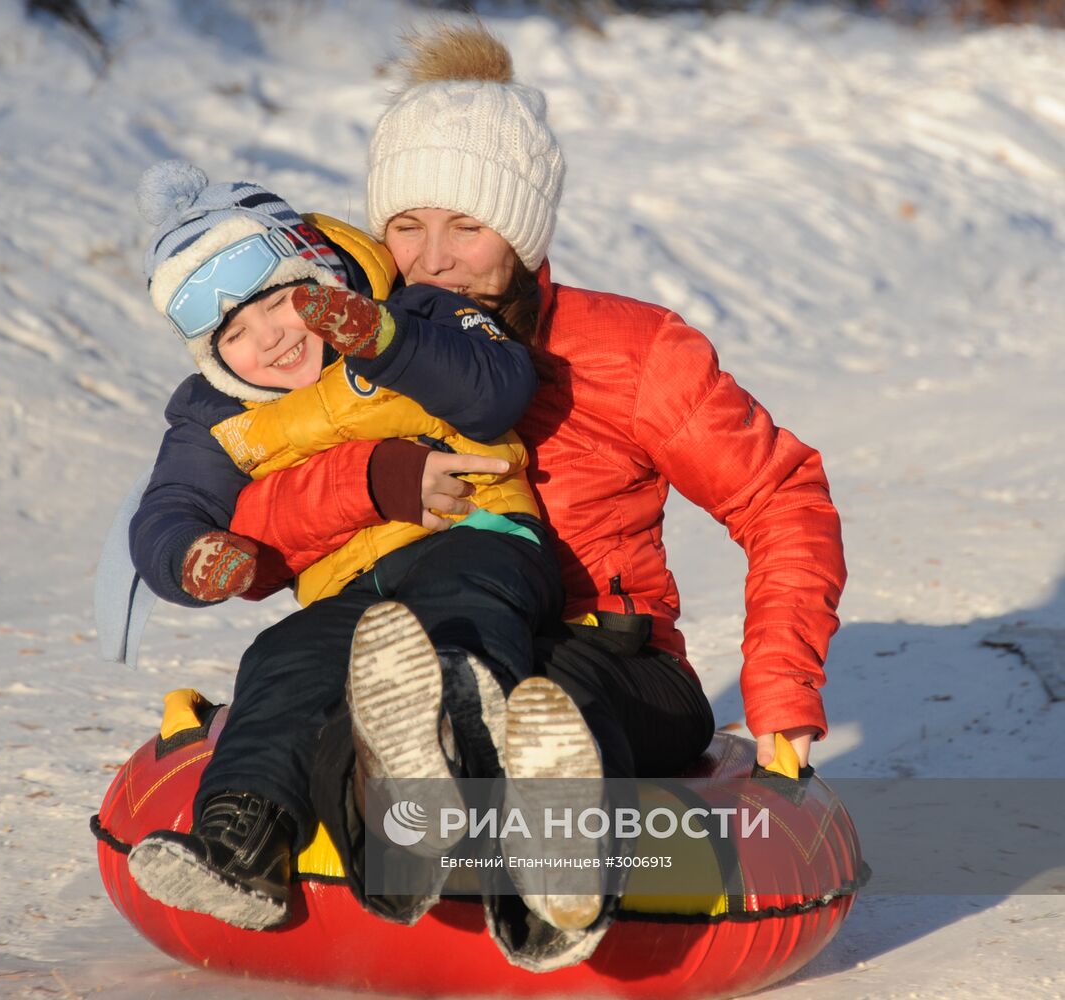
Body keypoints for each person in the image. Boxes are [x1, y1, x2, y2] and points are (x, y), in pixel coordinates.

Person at [212, 24, 847, 971]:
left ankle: (551, 881)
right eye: (407, 225)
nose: (434, 258)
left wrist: (782, 688)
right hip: (414, 632)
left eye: (467, 225)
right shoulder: (341, 354)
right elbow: (261, 543)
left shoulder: (630, 353)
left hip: (608, 652)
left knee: (543, 697)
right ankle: (401, 818)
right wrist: (364, 480)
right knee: (369, 679)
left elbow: (778, 495)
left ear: (521, 228)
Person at [121, 163, 572, 932]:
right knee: (281, 660)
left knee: (460, 613)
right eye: (232, 334)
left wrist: (384, 340)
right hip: (345, 589)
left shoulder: (420, 311)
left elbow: (495, 387)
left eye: (275, 302)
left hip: (476, 534)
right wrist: (191, 553)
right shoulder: (215, 414)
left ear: (318, 274)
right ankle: (243, 840)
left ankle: (453, 757)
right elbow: (169, 505)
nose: (266, 339)